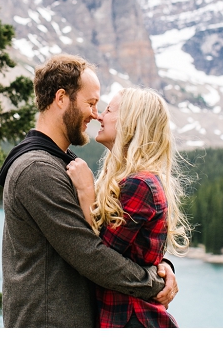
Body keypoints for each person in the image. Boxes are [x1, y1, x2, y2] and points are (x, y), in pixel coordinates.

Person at [0, 54, 178, 327]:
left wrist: (162, 264)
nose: (96, 114)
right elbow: (90, 253)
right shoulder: (38, 170)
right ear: (61, 99)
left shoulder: (61, 164)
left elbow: (115, 238)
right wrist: (155, 281)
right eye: (91, 104)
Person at [66, 87, 190, 328]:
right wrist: (163, 268)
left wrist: (85, 192)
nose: (99, 116)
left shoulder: (139, 184)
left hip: (132, 320)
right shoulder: (133, 180)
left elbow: (98, 255)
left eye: (109, 110)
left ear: (130, 123)